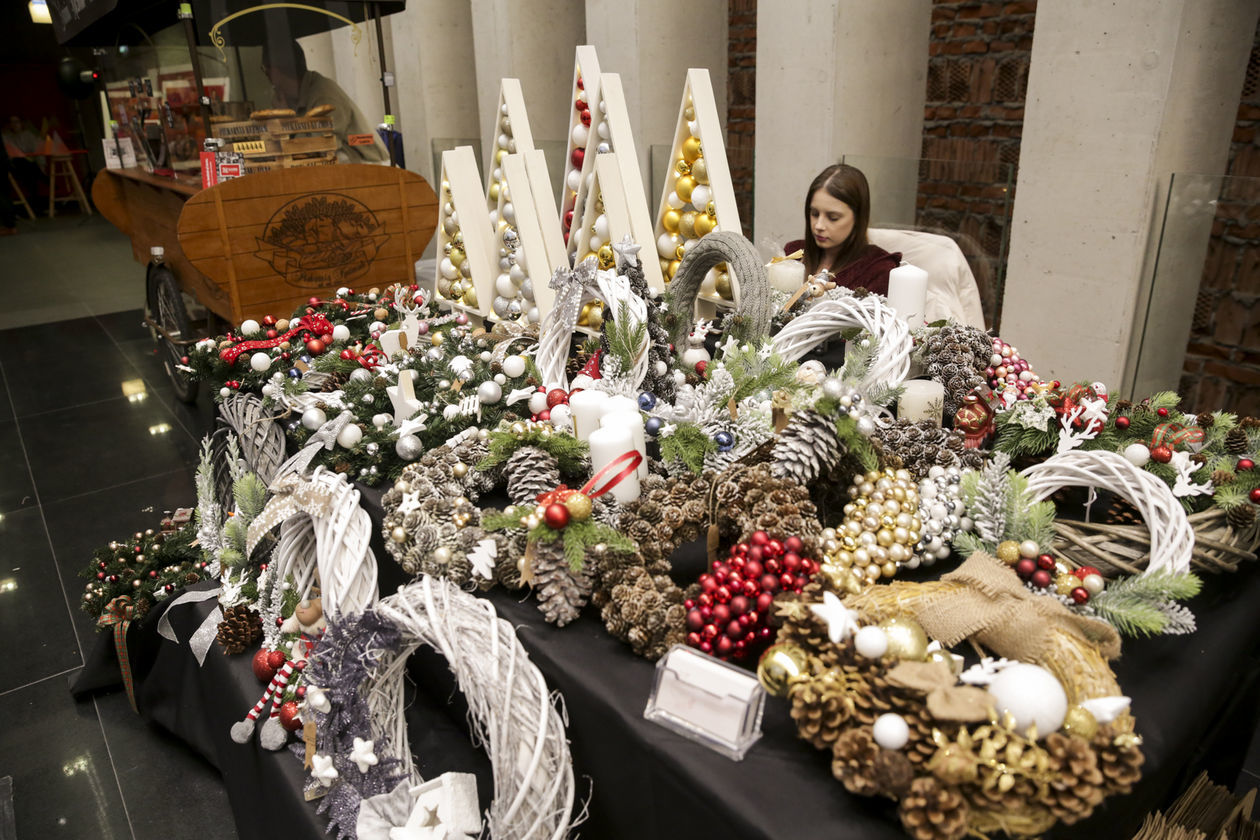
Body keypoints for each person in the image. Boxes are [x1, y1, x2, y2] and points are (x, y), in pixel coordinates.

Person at [261, 40, 386, 164]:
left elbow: (313, 150)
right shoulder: (287, 98)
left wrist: (286, 123)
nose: (267, 76)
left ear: (275, 71)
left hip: (368, 167)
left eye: (265, 69)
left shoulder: (324, 98)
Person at [786, 163, 900, 297]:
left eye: (833, 217)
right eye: (815, 214)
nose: (819, 226)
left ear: (858, 218)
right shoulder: (794, 254)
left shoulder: (878, 269)